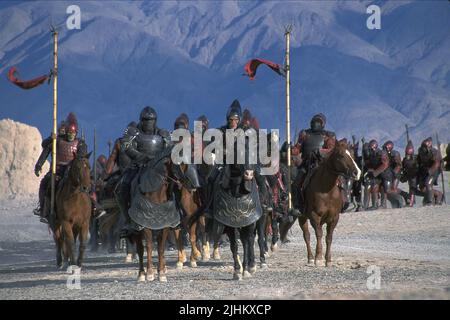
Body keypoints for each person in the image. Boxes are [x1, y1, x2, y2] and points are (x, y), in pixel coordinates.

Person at [116, 106, 172, 236]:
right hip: (138, 166)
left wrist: (158, 159)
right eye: (146, 120)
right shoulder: (132, 132)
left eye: (151, 120)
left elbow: (169, 149)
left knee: (176, 185)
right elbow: (126, 147)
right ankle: (128, 219)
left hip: (158, 168)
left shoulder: (162, 134)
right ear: (141, 120)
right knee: (122, 188)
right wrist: (143, 157)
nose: (148, 123)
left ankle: (176, 216)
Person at [417, 137, 443, 205]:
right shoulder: (420, 151)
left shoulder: (434, 152)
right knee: (422, 188)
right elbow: (419, 160)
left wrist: (431, 171)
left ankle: (430, 201)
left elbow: (437, 163)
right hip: (425, 170)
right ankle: (438, 194)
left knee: (428, 184)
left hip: (434, 170)